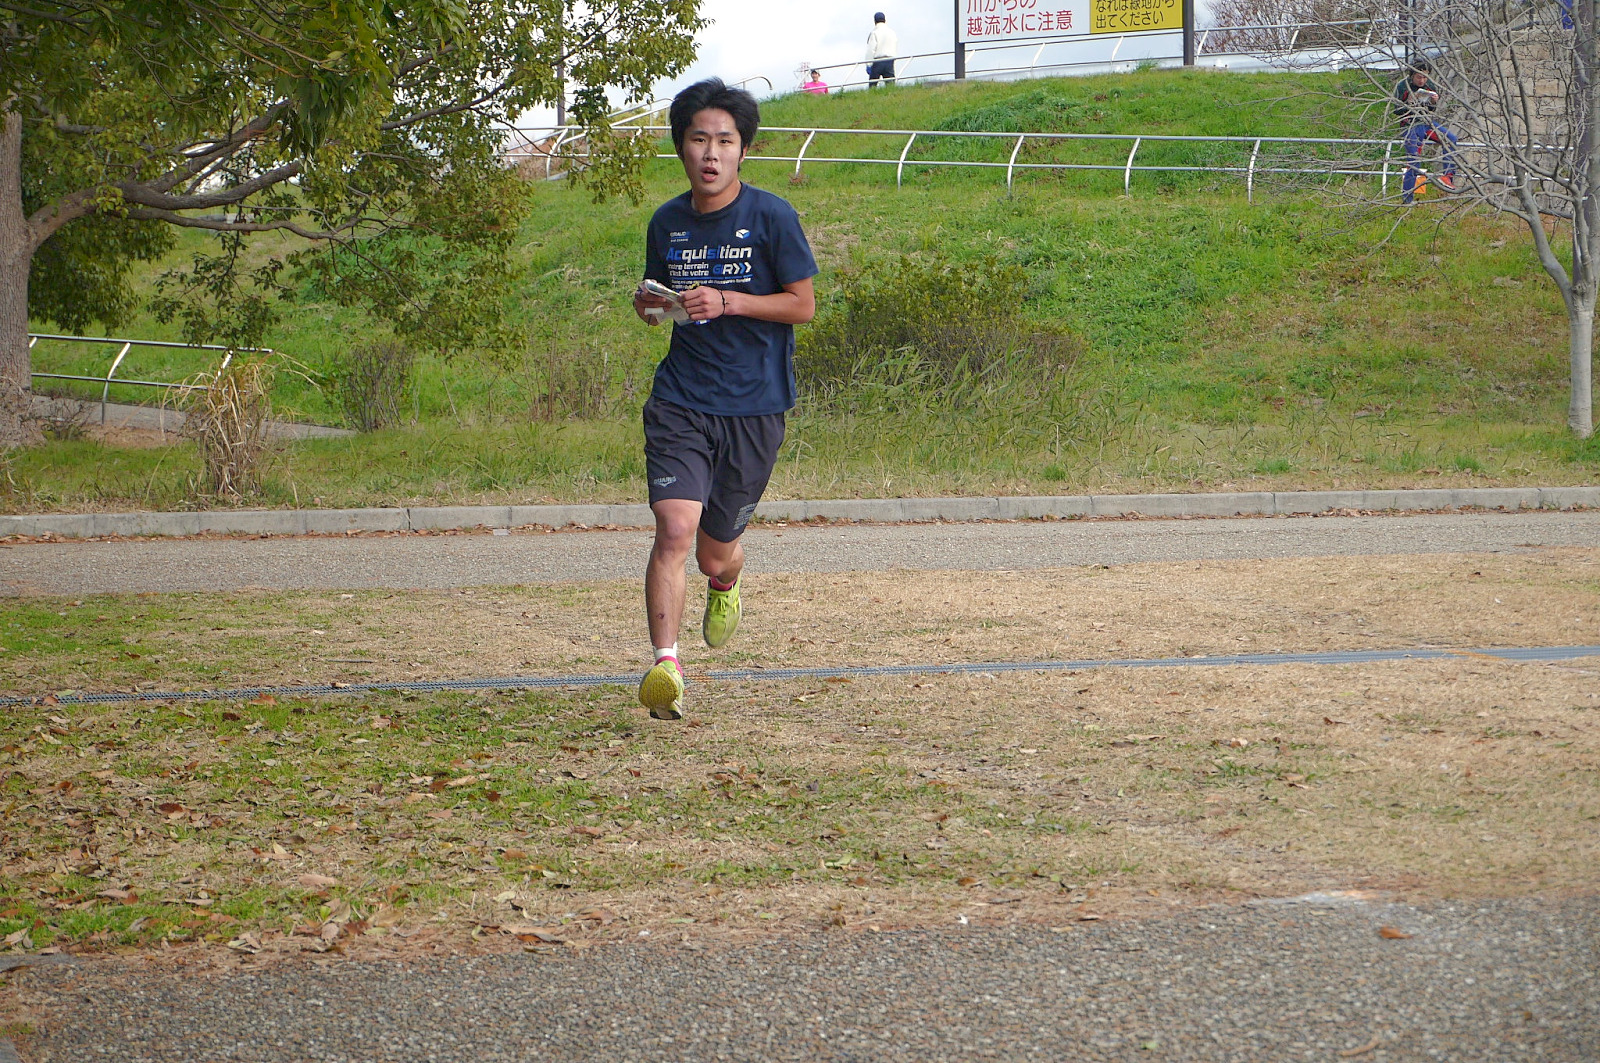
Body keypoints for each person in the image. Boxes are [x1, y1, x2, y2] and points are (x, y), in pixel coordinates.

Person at [631, 79, 819, 721]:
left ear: (743, 150)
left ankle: (726, 579)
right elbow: (661, 301)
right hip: (681, 398)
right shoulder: (667, 222)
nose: (710, 153)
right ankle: (667, 666)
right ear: (680, 147)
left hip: (755, 405)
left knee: (713, 550)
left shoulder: (772, 217)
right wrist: (652, 306)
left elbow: (802, 305)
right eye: (698, 140)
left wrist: (730, 300)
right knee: (674, 528)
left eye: (724, 141)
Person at [1393, 59, 1459, 205]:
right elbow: (1396, 110)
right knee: (1414, 161)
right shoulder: (1402, 86)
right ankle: (1407, 199)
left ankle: (1447, 176)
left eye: (1425, 77)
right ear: (1412, 75)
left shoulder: (1430, 86)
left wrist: (1433, 102)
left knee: (1451, 139)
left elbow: (1431, 110)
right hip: (1410, 125)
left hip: (1426, 123)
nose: (1422, 80)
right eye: (1419, 77)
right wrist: (1408, 103)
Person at [866, 12, 897, 87]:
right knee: (890, 85)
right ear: (885, 20)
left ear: (875, 21)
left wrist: (868, 64)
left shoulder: (874, 33)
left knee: (873, 85)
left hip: (878, 61)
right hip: (889, 60)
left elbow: (871, 50)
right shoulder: (892, 32)